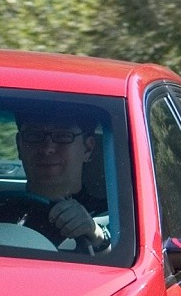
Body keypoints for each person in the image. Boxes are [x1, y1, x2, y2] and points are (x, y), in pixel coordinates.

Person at [14, 106, 110, 251]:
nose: (47, 148)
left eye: (63, 136)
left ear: (87, 148)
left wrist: (96, 235)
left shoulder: (116, 217)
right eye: (34, 135)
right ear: (19, 146)